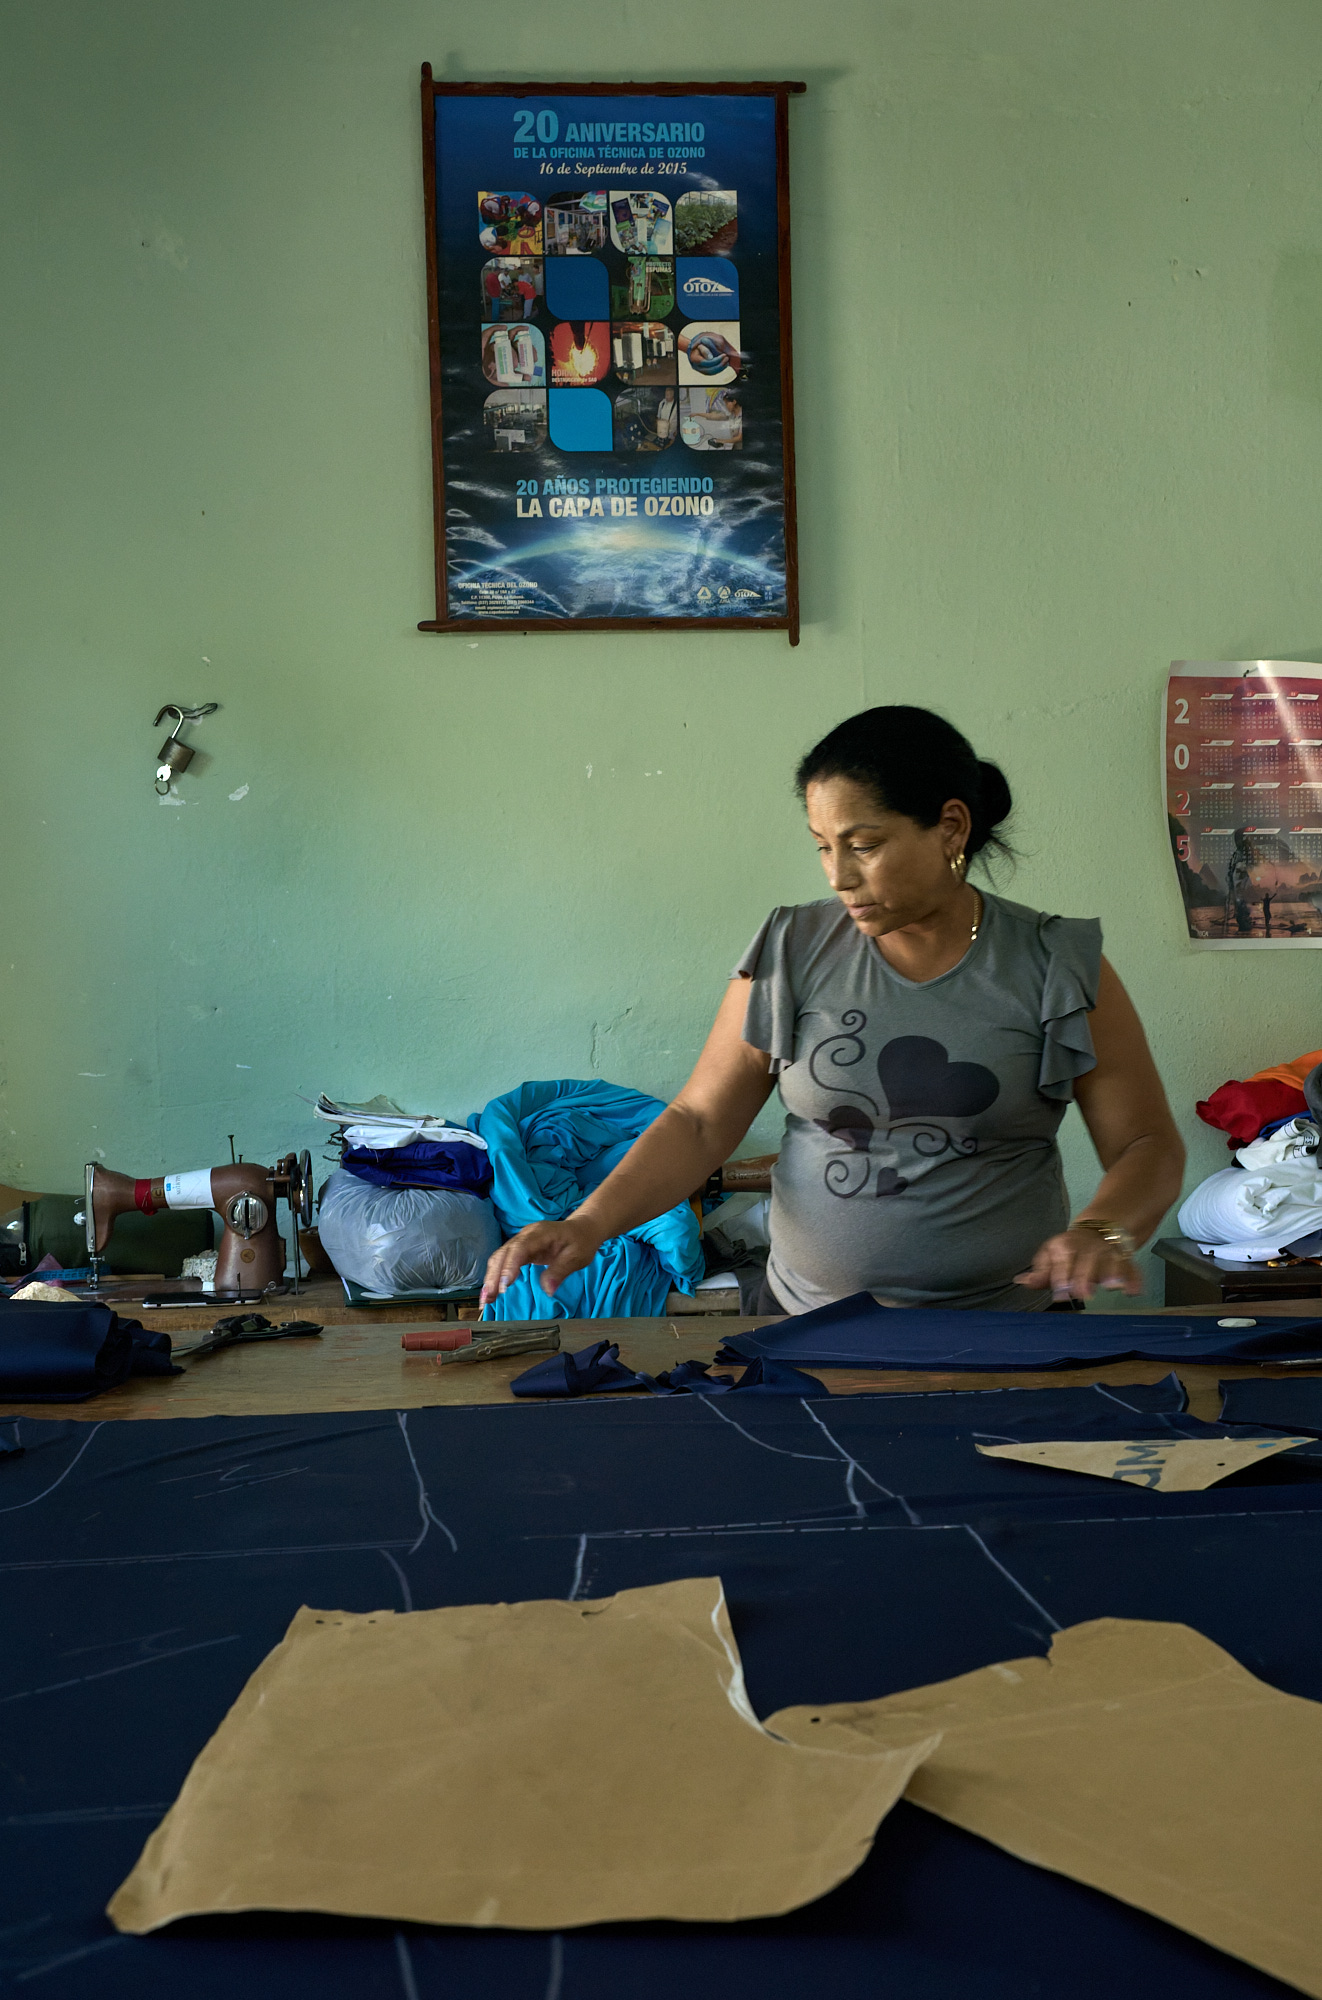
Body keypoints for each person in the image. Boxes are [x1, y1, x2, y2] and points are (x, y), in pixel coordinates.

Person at [482, 706, 1185, 1315]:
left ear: (949, 827)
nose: (838, 876)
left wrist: (1102, 1231)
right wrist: (589, 1223)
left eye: (865, 845)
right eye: (823, 847)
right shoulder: (792, 948)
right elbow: (698, 1123)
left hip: (1005, 1330)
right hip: (804, 1326)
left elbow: (1146, 1146)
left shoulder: (1055, 964)